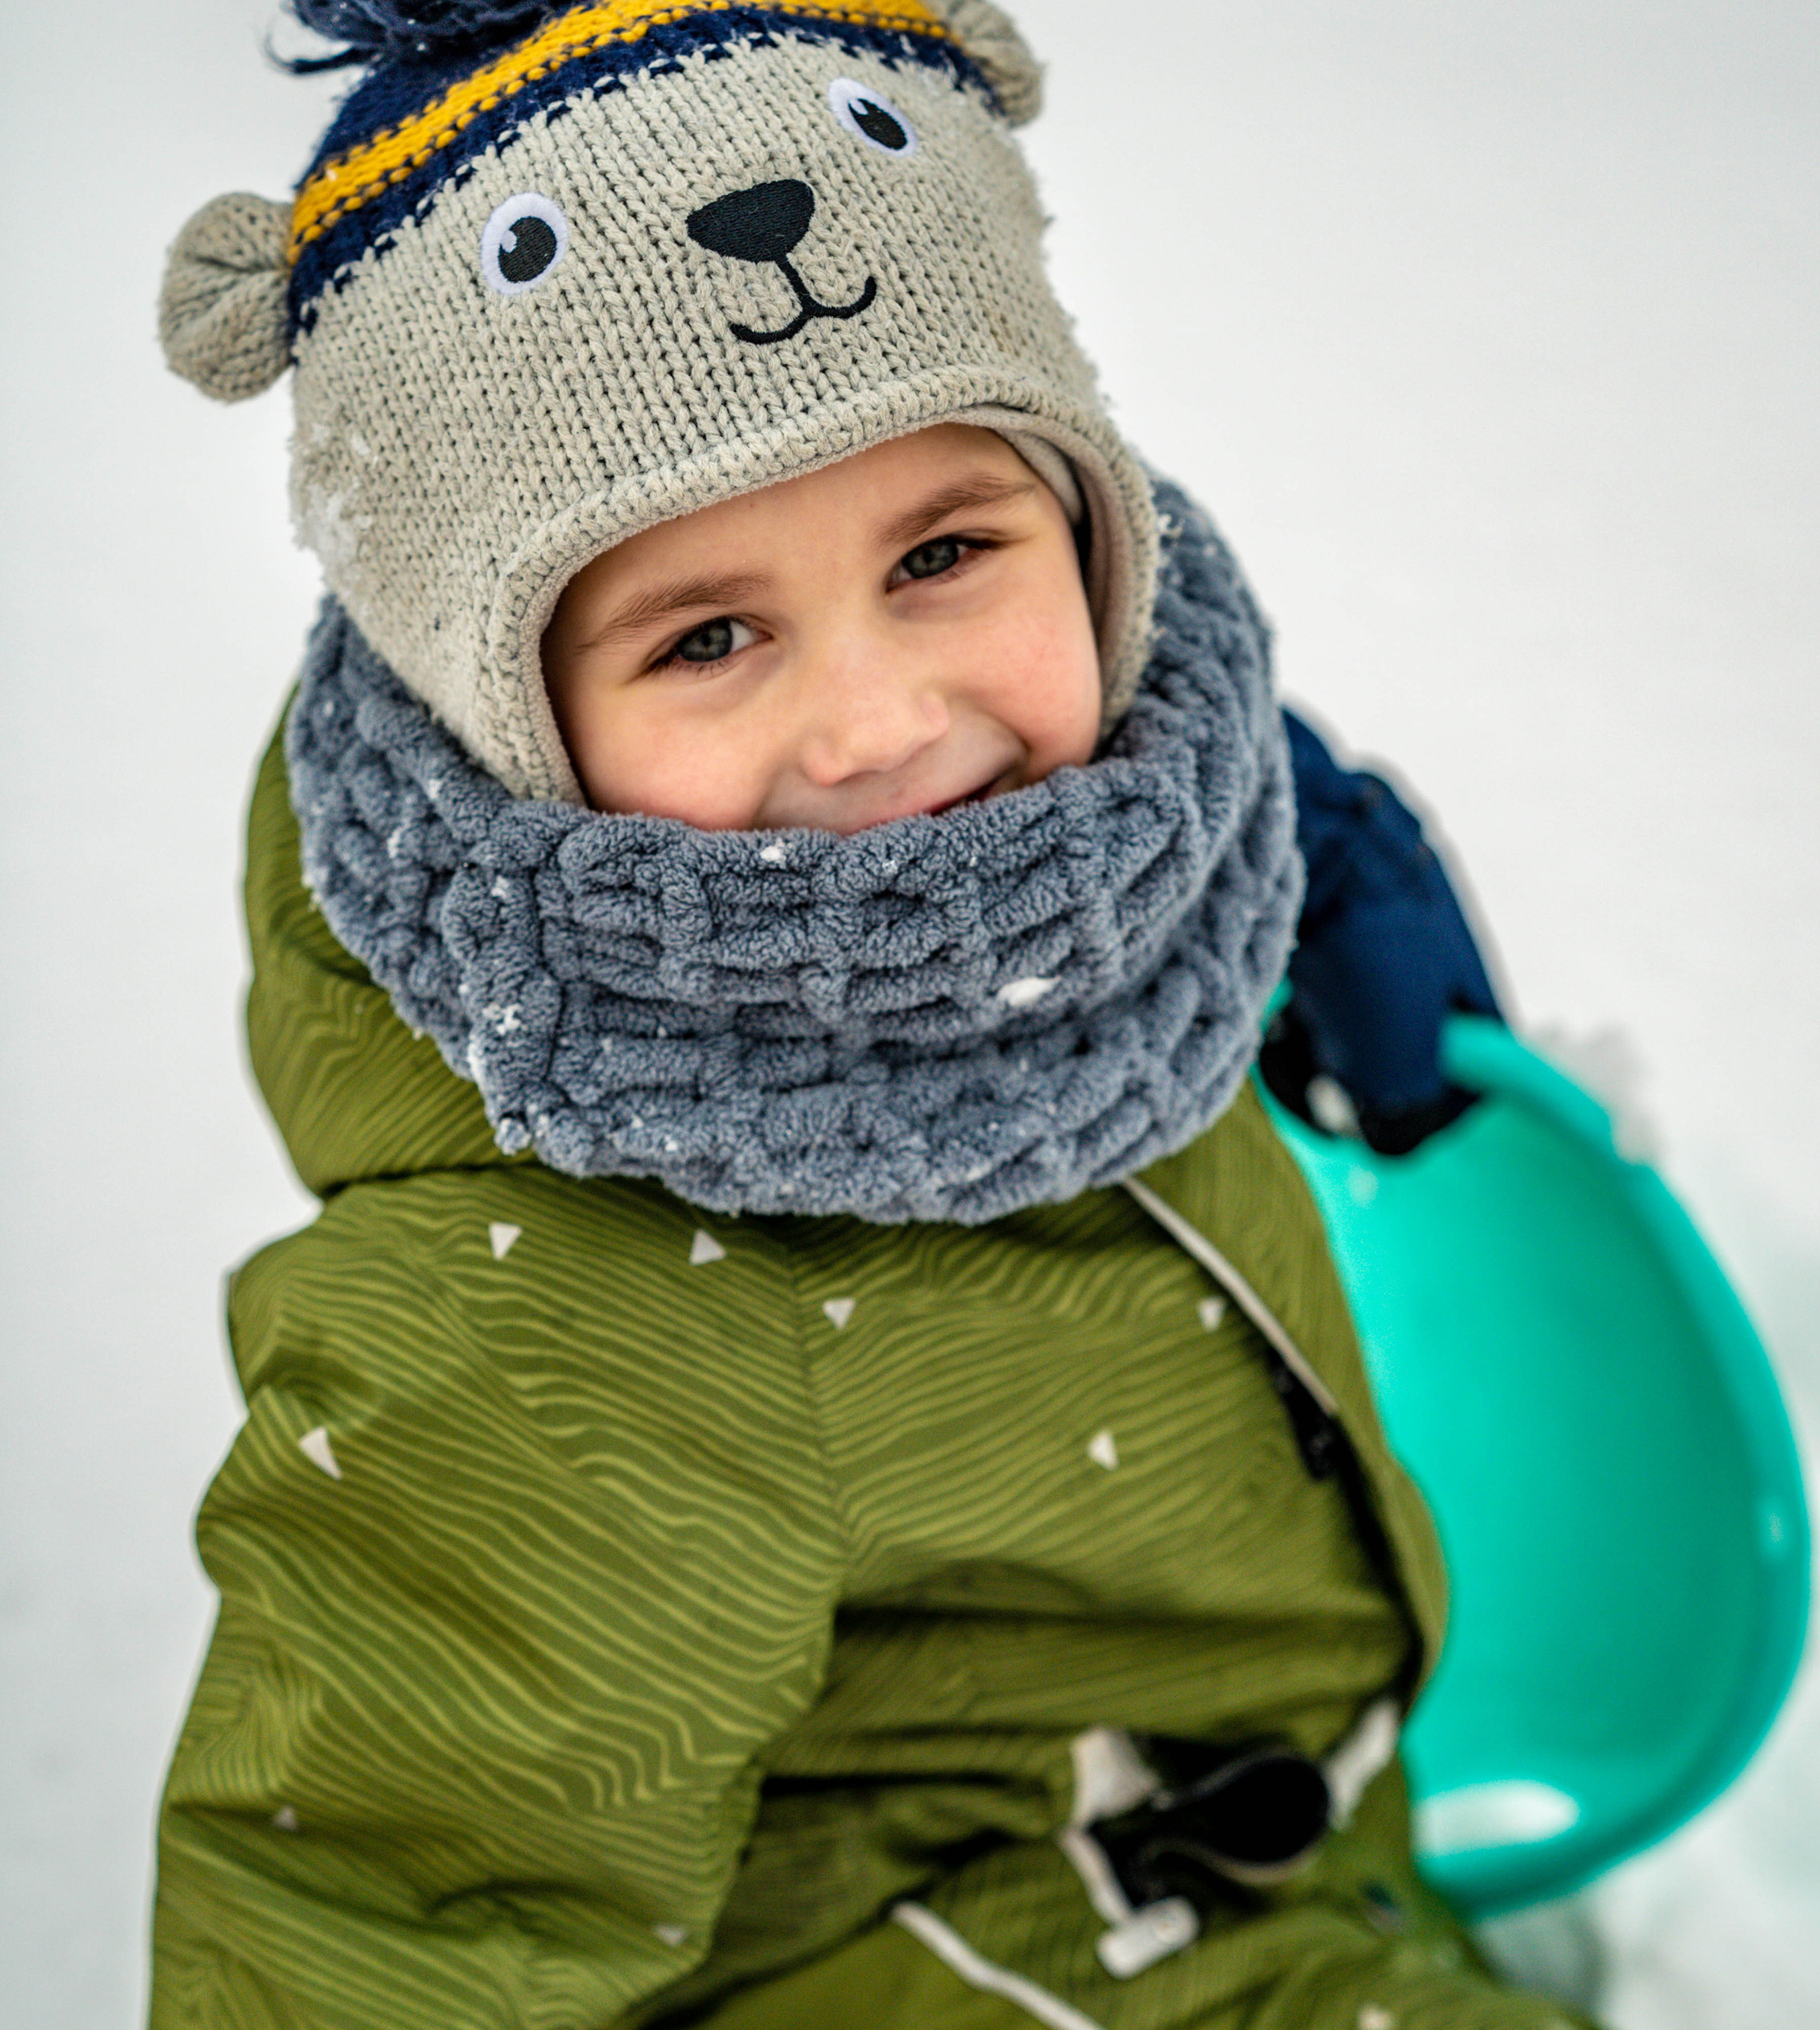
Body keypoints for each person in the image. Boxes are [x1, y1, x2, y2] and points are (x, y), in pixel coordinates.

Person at [151, 4, 1560, 2025]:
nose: (887, 727)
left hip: (1270, 1811)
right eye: (708, 633)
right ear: (501, 724)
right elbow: (378, 1932)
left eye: (945, 552)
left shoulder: (1108, 849)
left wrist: (1303, 845)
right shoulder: (555, 1333)